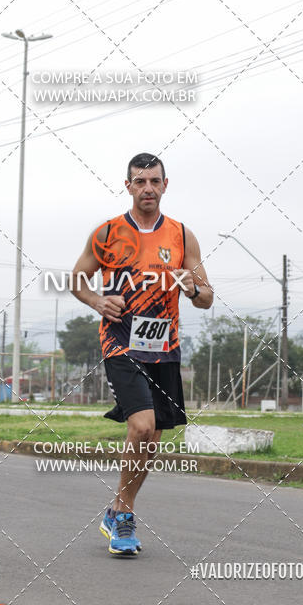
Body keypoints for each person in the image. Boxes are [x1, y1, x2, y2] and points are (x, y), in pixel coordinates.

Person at [71, 153, 213, 556]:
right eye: (140, 181)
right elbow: (77, 281)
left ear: (165, 185)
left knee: (154, 436)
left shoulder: (182, 236)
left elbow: (206, 298)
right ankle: (124, 515)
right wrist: (99, 301)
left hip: (164, 346)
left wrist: (191, 287)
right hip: (120, 342)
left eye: (154, 181)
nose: (147, 188)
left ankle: (119, 508)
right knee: (142, 425)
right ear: (128, 185)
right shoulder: (107, 233)